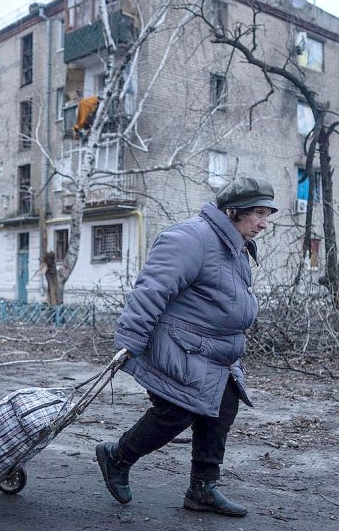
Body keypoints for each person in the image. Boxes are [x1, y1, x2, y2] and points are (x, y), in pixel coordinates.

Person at [95, 176, 277, 518]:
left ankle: (202, 489)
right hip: (179, 347)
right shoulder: (192, 237)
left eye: (267, 215)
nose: (265, 224)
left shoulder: (234, 244)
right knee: (178, 411)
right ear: (233, 211)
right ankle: (117, 456)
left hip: (213, 352)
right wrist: (130, 341)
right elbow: (151, 289)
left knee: (223, 407)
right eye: (258, 214)